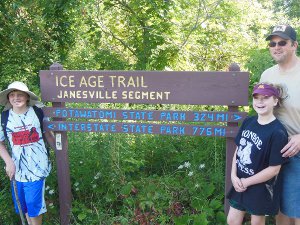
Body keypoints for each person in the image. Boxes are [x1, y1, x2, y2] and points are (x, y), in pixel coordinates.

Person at [227, 83, 288, 225]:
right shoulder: (248, 121)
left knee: (256, 222)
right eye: (256, 98)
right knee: (232, 220)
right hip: (240, 181)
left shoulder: (278, 132)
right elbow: (238, 150)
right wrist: (233, 175)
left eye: (265, 98)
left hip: (261, 186)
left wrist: (246, 182)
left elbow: (274, 169)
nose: (260, 102)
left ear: (275, 101)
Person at [260, 24, 300, 225]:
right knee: (280, 211)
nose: (276, 46)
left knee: (297, 212)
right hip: (275, 151)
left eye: (282, 42)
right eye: (272, 43)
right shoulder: (267, 75)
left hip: (298, 151)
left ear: (294, 45)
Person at [0, 81, 55, 225]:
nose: (16, 98)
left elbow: (48, 134)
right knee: (23, 205)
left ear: (27, 97)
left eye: (20, 95)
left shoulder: (38, 112)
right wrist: (9, 162)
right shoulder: (4, 117)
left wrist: (60, 153)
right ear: (8, 98)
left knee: (33, 206)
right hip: (17, 170)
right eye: (12, 95)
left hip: (38, 168)